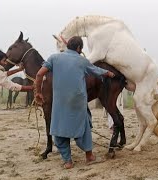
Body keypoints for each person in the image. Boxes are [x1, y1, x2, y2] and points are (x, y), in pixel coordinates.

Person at [35, 36, 115, 169]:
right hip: (78, 100)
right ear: (78, 48)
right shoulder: (82, 60)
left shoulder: (54, 58)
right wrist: (109, 73)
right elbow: (96, 71)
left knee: (59, 129)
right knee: (83, 126)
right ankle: (89, 156)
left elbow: (39, 75)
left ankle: (68, 161)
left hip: (60, 101)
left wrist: (38, 92)